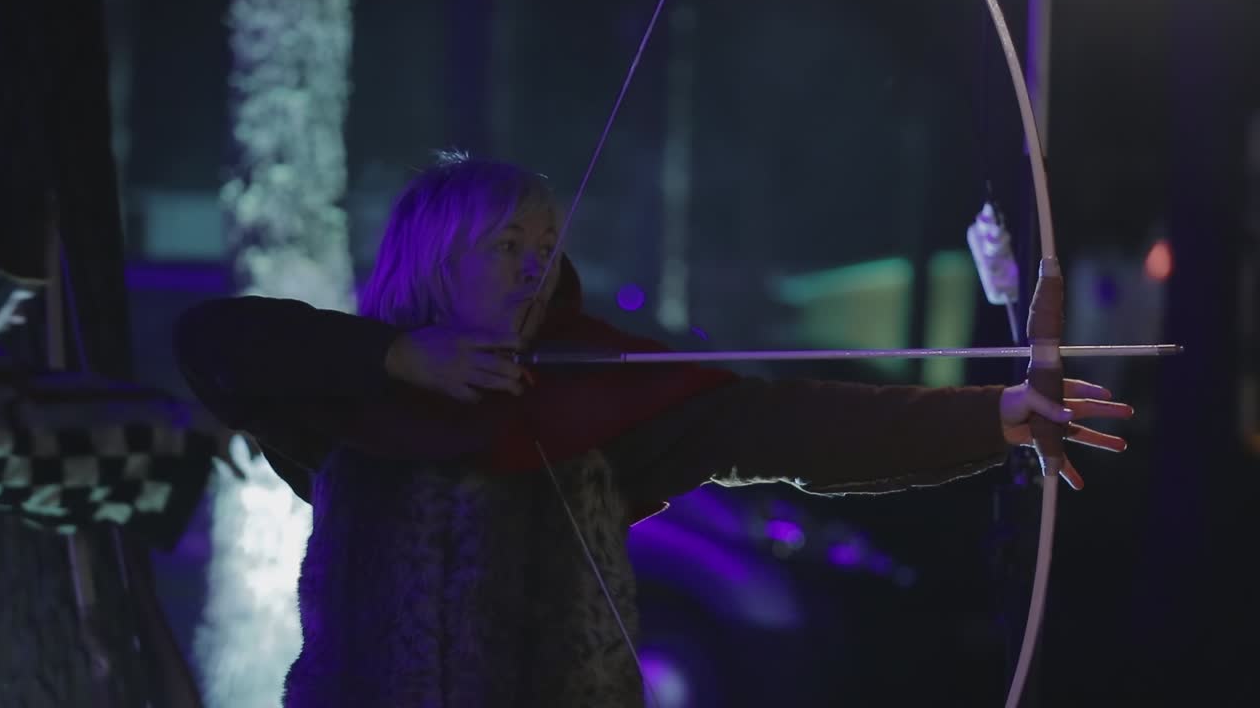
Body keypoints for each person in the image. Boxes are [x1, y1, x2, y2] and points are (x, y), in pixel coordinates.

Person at [172, 151, 1133, 707]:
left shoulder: (589, 399)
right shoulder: (352, 407)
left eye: (545, 248)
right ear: (434, 259)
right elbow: (214, 340)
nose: (532, 270)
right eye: (506, 246)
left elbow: (792, 425)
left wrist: (997, 417)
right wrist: (397, 360)